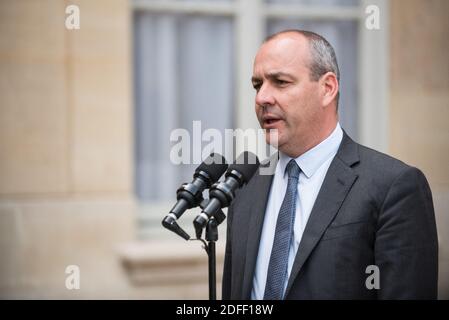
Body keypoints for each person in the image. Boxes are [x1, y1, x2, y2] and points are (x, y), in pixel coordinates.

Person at [222, 30, 438, 300]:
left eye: (280, 82)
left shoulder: (393, 187)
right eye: (257, 85)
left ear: (327, 88)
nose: (262, 98)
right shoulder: (245, 187)